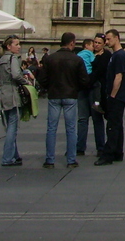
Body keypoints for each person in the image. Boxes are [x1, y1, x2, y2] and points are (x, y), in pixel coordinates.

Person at [37, 32, 88, 169]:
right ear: (72, 43)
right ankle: (71, 160)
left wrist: (50, 87)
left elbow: (41, 79)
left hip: (54, 95)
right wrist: (75, 87)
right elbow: (84, 80)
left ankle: (50, 160)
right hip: (70, 95)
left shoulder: (50, 59)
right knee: (71, 129)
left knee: (51, 128)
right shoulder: (77, 60)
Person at [0, 36, 33, 167]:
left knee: (9, 124)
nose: (19, 47)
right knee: (13, 125)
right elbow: (16, 75)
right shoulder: (13, 58)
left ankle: (14, 155)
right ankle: (7, 157)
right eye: (16, 44)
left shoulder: (1, 59)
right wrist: (26, 81)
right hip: (12, 92)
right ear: (9, 46)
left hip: (3, 92)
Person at [96, 29, 125, 166]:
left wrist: (112, 95)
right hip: (119, 96)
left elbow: (118, 76)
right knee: (117, 124)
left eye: (109, 39)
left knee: (112, 126)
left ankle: (108, 155)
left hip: (117, 97)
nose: (107, 42)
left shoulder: (119, 55)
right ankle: (118, 152)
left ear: (117, 38)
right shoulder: (115, 55)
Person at [88, 33, 110, 158]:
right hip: (88, 88)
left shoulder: (105, 55)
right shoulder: (89, 54)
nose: (96, 45)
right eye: (95, 42)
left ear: (104, 44)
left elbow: (99, 72)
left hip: (99, 89)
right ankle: (80, 145)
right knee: (83, 118)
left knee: (98, 119)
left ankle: (101, 147)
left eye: (99, 43)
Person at [75, 39, 95, 155]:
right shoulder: (90, 54)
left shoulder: (78, 55)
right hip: (89, 84)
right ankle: (100, 147)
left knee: (82, 119)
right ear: (87, 46)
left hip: (80, 85)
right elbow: (93, 63)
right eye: (93, 45)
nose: (94, 47)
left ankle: (80, 146)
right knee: (96, 119)